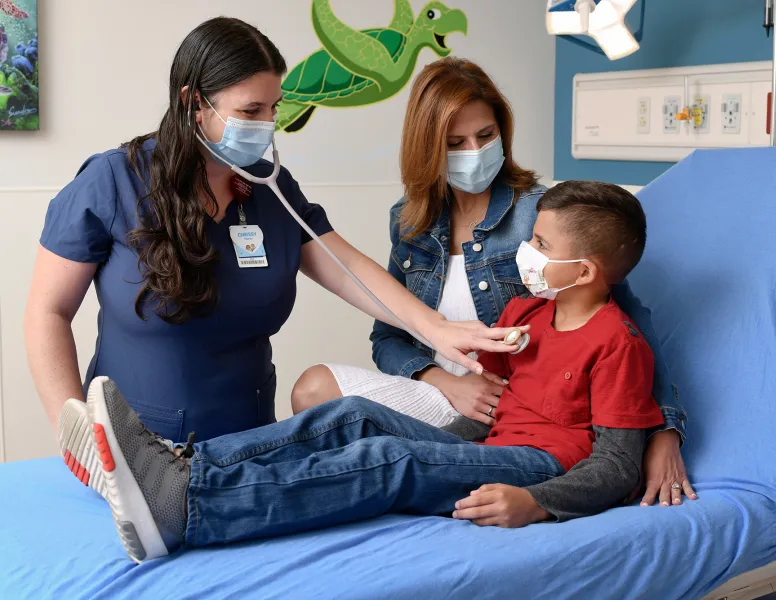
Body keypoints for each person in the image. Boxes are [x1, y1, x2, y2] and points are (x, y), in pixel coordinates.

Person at [25, 18, 524, 496]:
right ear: (193, 103)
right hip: (136, 451)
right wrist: (76, 432)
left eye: (274, 109)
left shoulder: (270, 188)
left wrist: (434, 328)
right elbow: (47, 313)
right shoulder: (113, 181)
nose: (267, 125)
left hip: (252, 447)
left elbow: (348, 268)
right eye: (250, 111)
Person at [68, 180, 667, 564]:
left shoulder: (617, 343)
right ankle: (184, 464)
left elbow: (616, 465)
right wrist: (469, 382)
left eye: (540, 244)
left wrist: (538, 502)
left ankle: (190, 507)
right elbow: (491, 396)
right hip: (488, 442)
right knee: (356, 417)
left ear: (585, 271)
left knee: (390, 461)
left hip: (543, 464)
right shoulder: (526, 311)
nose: (526, 254)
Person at [290, 57, 695, 509]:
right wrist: (441, 379)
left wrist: (665, 432)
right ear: (428, 148)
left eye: (486, 136)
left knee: (380, 456)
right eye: (455, 142)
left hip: (506, 406)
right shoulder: (410, 222)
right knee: (315, 392)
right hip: (442, 394)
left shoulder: (540, 216)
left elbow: (627, 327)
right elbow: (387, 336)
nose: (475, 151)